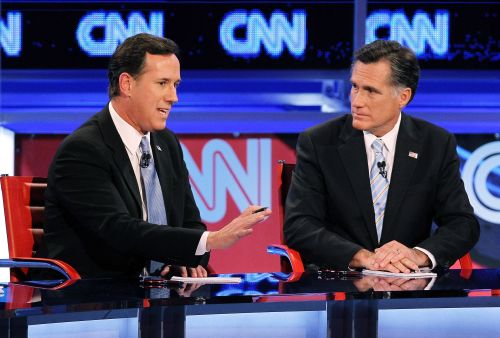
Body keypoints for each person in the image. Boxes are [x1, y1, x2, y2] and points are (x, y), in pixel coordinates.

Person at [41, 33, 271, 279]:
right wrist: (211, 240)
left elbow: (189, 222)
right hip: (93, 301)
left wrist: (186, 259)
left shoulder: (166, 142)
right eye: (162, 83)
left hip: (157, 293)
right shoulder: (83, 150)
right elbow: (120, 231)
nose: (173, 97)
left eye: (176, 85)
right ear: (127, 84)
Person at [284, 40, 479, 273]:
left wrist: (418, 255)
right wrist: (362, 257)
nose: (356, 101)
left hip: (409, 282)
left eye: (371, 91)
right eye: (355, 87)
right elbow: (299, 225)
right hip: (342, 281)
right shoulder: (318, 142)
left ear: (403, 97)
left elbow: (462, 223)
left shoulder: (435, 144)